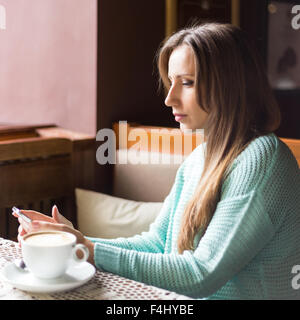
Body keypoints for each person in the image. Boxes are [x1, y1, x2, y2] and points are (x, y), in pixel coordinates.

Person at [13, 23, 300, 299]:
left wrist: (88, 250)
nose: (170, 99)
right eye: (171, 82)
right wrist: (74, 240)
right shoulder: (200, 158)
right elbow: (159, 244)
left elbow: (201, 274)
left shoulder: (263, 159)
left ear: (231, 86)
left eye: (187, 83)